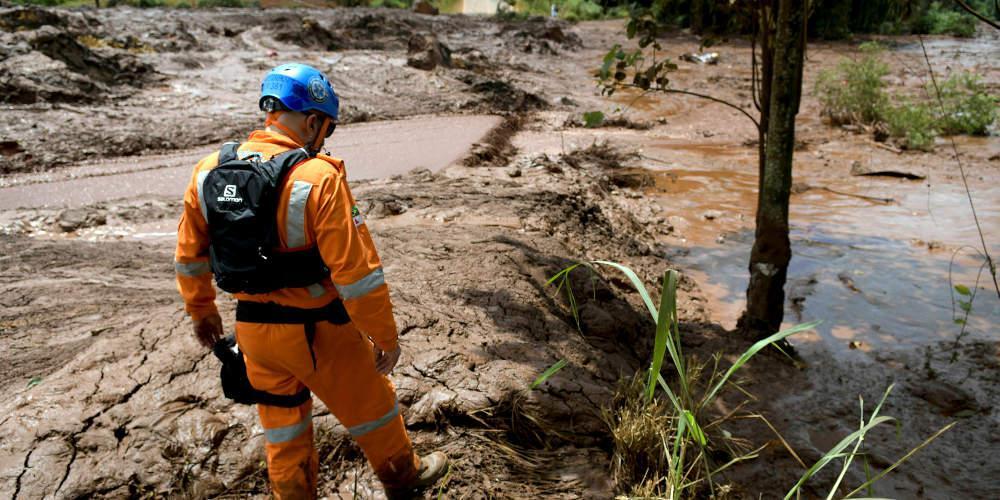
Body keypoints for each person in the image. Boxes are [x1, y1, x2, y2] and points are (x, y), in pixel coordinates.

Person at [174, 63, 447, 499]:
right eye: (327, 128)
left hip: (254, 334)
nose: (325, 137)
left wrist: (201, 312)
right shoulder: (318, 178)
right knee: (374, 409)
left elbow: (190, 255)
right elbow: (357, 276)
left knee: (283, 429)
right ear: (314, 120)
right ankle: (404, 477)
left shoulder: (208, 171)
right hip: (321, 331)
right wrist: (385, 338)